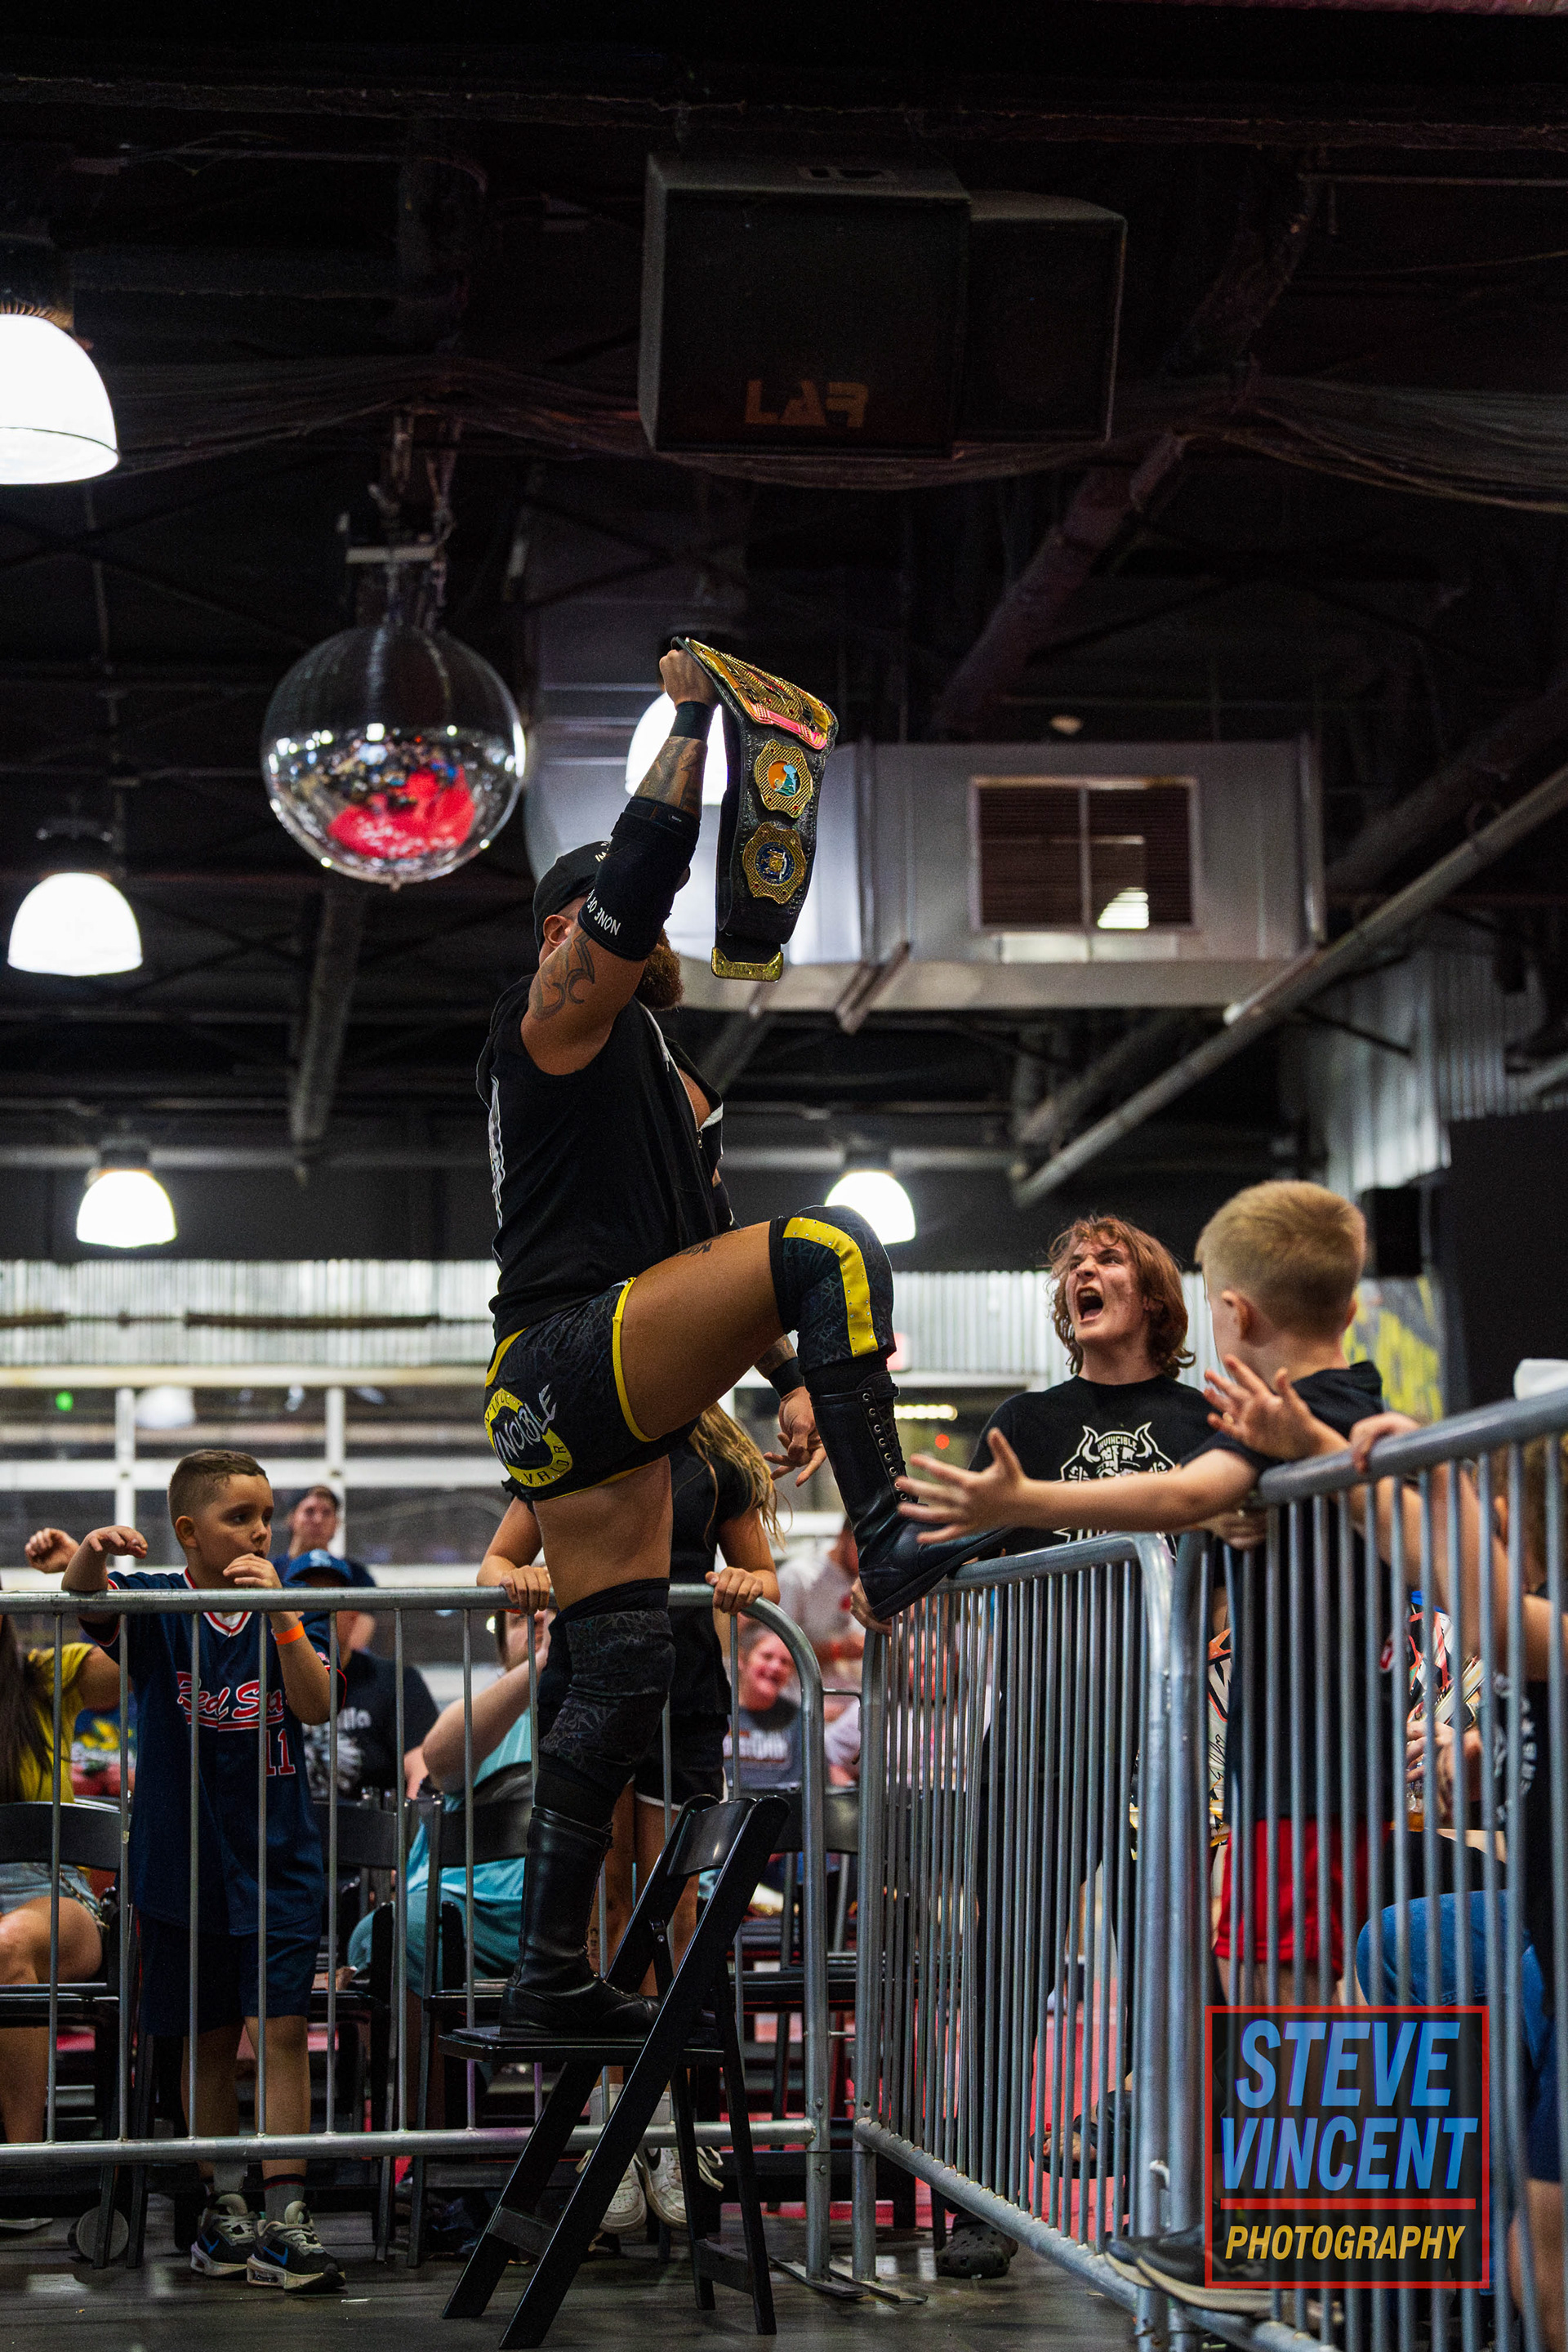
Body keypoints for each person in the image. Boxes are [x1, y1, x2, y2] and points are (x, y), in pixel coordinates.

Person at [478, 642, 993, 2038]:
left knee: (621, 1672)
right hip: (568, 1351)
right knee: (832, 1243)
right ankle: (890, 1539)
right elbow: (640, 876)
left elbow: (715, 1258)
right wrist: (696, 724)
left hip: (563, 1390)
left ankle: (545, 1982)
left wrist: (799, 1377)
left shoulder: (670, 1084)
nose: (652, 939)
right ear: (565, 935)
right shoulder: (548, 1025)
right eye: (610, 924)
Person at [481, 1402, 780, 2232]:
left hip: (685, 1696)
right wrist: (519, 1576)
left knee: (672, 1912)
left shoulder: (717, 1459)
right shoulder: (568, 1443)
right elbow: (498, 1557)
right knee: (606, 1902)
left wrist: (747, 1583)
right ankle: (612, 2126)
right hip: (590, 1689)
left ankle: (667, 2127)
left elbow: (763, 1574)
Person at [64, 1452, 346, 2293]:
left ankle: (287, 2216)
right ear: (189, 1532)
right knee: (207, 2040)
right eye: (239, 1516)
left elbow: (316, 1704)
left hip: (278, 1859)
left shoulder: (294, 1603)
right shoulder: (156, 1600)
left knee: (283, 2032)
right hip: (177, 1862)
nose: (260, 1530)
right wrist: (91, 1552)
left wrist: (282, 1617)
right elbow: (84, 1600)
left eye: (267, 1515)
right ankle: (224, 2209)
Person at [0, 1582, 124, 2143]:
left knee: (7, 1947)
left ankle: (22, 2161)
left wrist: (89, 1580)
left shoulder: (40, 1679)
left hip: (51, 1890)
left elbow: (135, 1663)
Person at [283, 1557, 437, 1805]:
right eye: (305, 1600)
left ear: (353, 1615)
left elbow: (421, 1764)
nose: (318, 1613)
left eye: (331, 1601)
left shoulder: (396, 1681)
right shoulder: (261, 1679)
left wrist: (419, 1815)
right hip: (286, 1822)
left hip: (370, 1823)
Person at [777, 1518, 863, 1691]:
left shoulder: (866, 1581)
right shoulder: (798, 1576)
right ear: (844, 1536)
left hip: (851, 1694)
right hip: (801, 1695)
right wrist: (837, 1650)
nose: (872, 1558)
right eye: (865, 1545)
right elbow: (777, 1650)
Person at [725, 1624, 804, 1792]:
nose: (776, 1667)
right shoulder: (716, 1712)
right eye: (767, 1657)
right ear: (741, 1659)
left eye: (785, 1662)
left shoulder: (799, 1720)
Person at [274, 1486, 375, 1591]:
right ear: (291, 1519)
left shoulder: (357, 1575)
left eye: (326, 1513)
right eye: (309, 1511)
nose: (318, 1520)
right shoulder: (273, 1572)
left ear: (336, 1523)